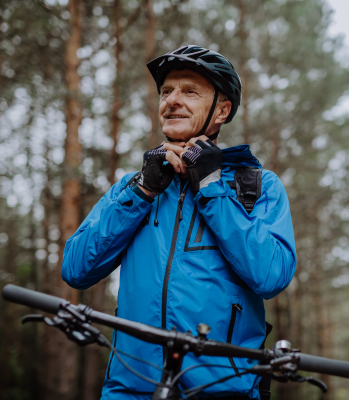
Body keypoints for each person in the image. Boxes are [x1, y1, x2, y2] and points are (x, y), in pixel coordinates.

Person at [61, 45, 297, 400]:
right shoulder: (133, 187)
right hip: (131, 390)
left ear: (222, 110)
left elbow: (270, 276)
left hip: (221, 391)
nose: (172, 100)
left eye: (190, 91)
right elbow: (76, 269)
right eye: (166, 91)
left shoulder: (258, 186)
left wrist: (211, 187)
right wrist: (142, 191)